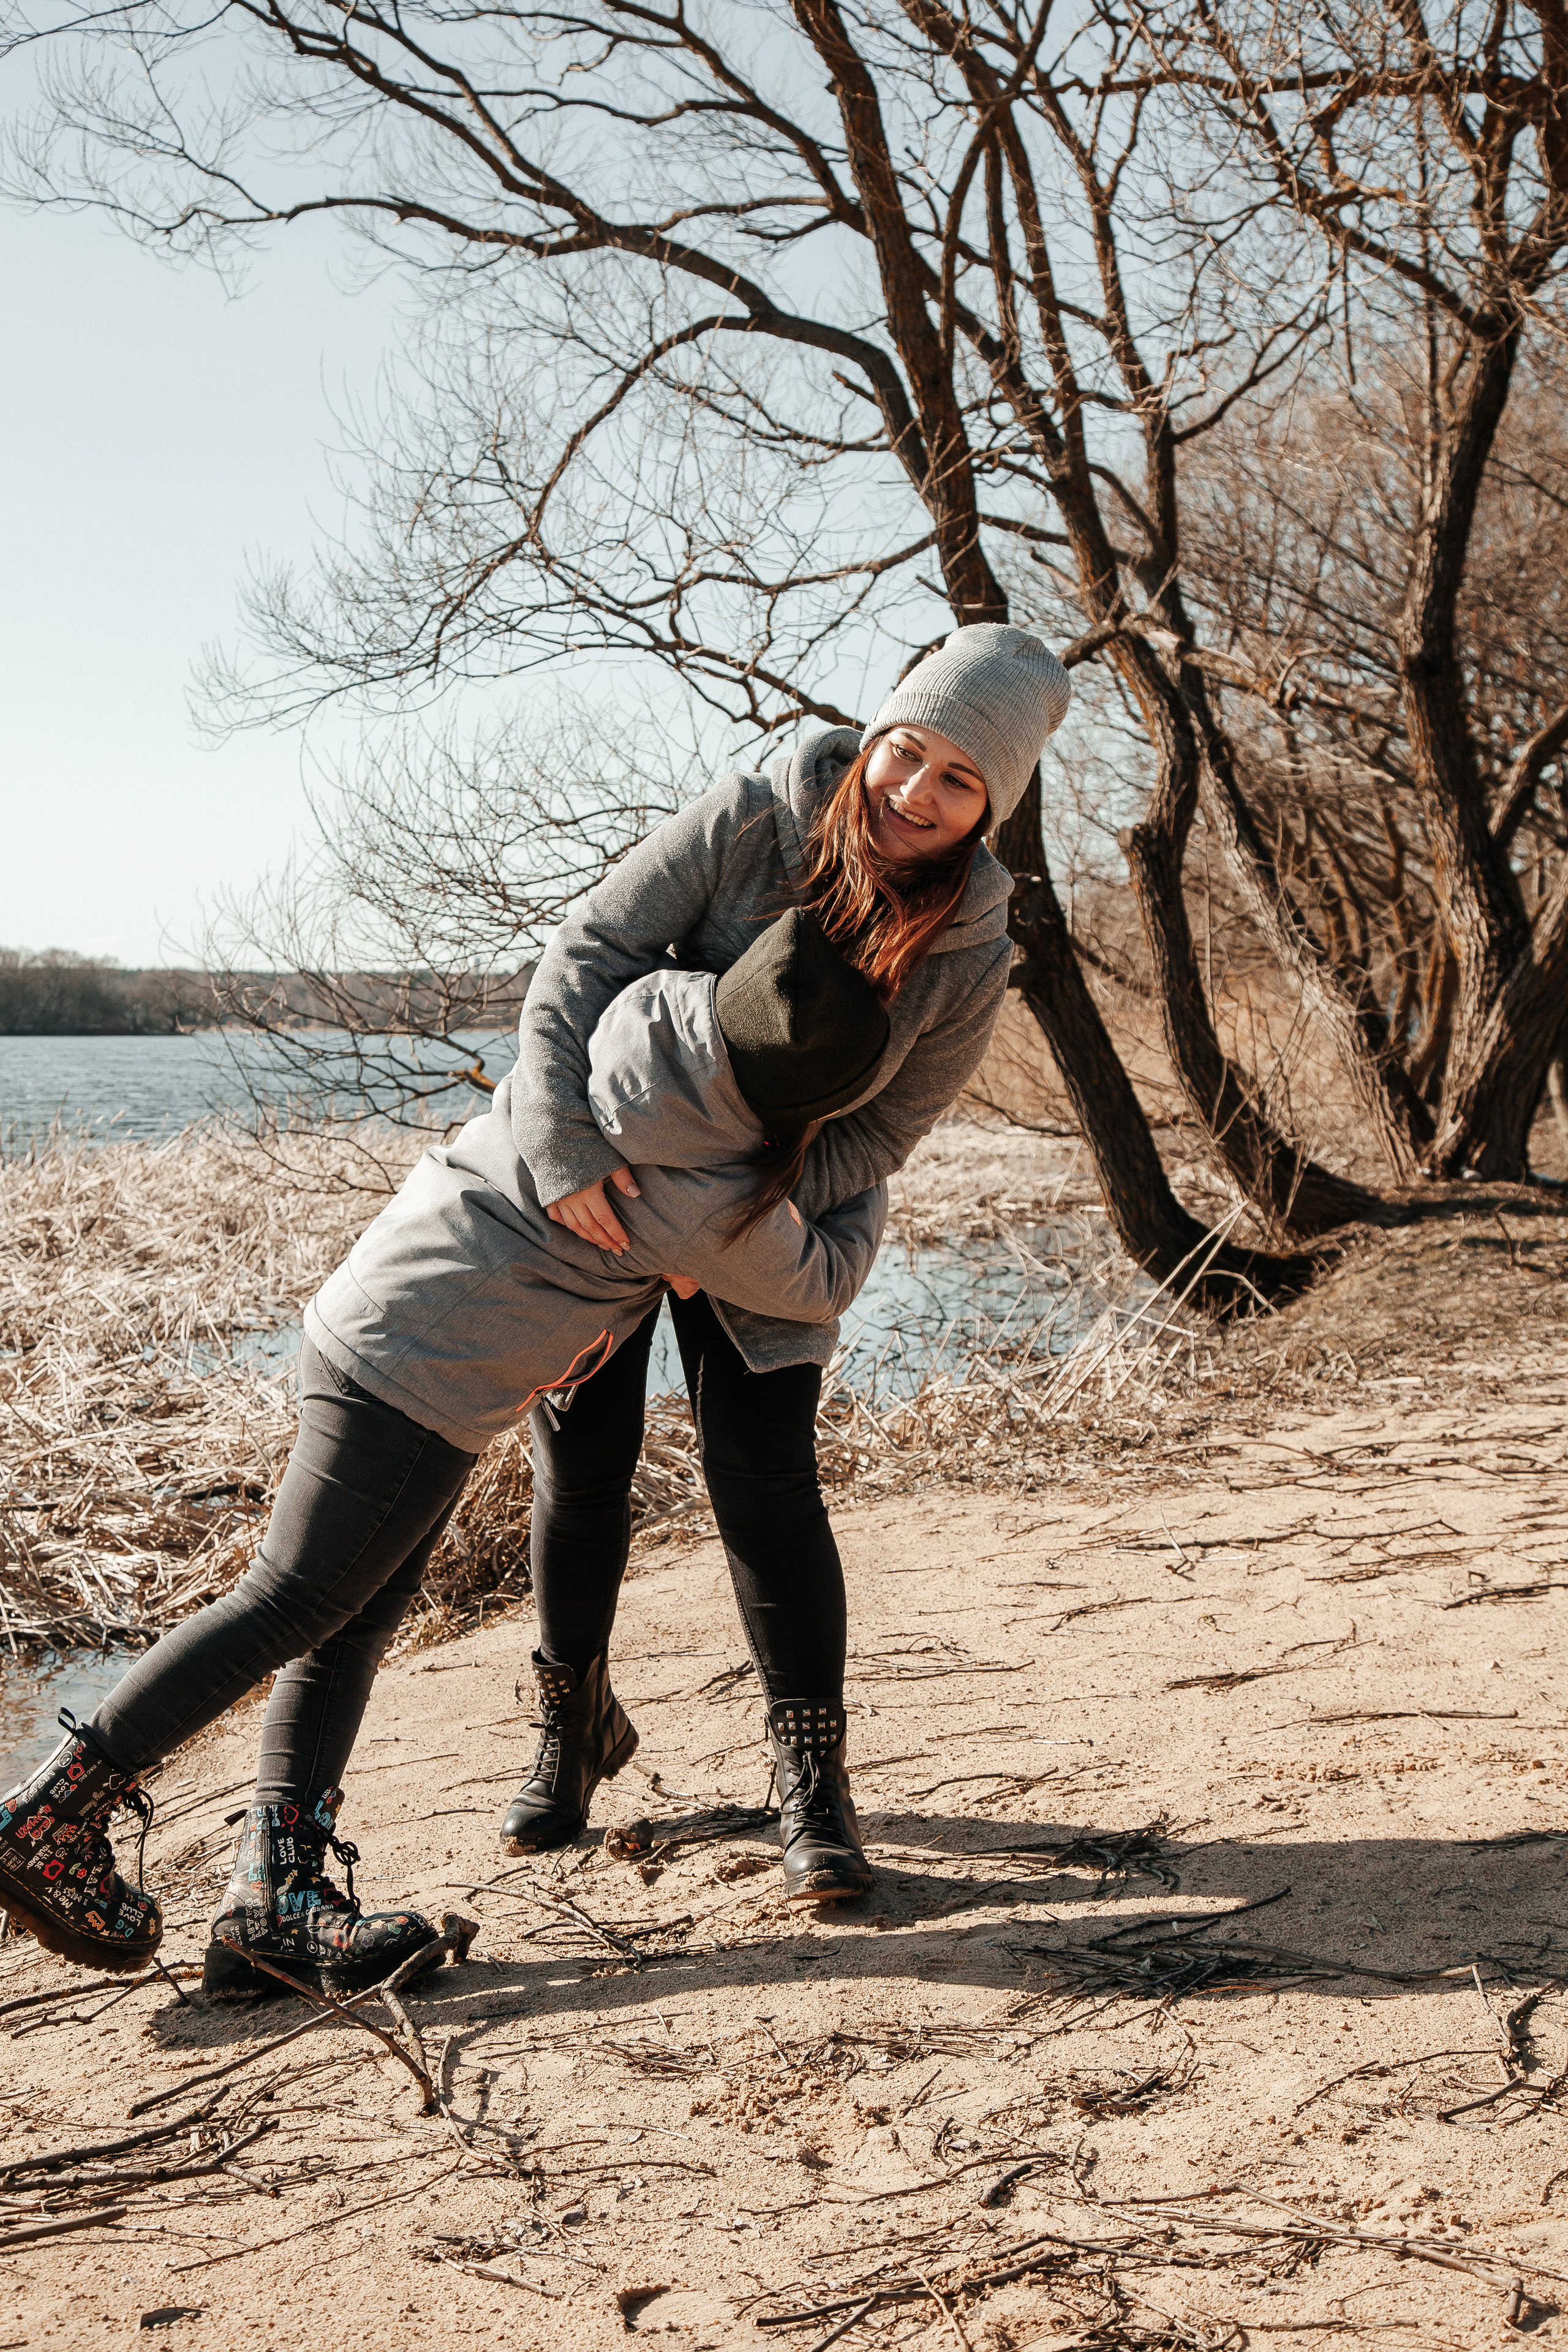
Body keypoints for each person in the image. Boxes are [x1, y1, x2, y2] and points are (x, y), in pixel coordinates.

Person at [0, 912, 891, 1994]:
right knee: (291, 1602)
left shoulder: (621, 1035)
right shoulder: (700, 1188)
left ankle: (272, 1906)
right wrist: (851, 1175)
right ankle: (52, 1817)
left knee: (344, 1617)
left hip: (376, 1322)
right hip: (423, 1377)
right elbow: (821, 1282)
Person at [503, 622, 1069, 1902]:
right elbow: (583, 957)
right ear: (876, 735)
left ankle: (811, 1781)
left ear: (990, 809)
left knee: (763, 1478)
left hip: (773, 1218)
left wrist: (724, 1227)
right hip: (606, 1178)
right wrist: (561, 1147)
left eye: (957, 783)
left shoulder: (971, 942)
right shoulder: (754, 818)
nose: (913, 796)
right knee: (579, 1459)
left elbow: (883, 1130)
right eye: (906, 754)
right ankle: (570, 1728)